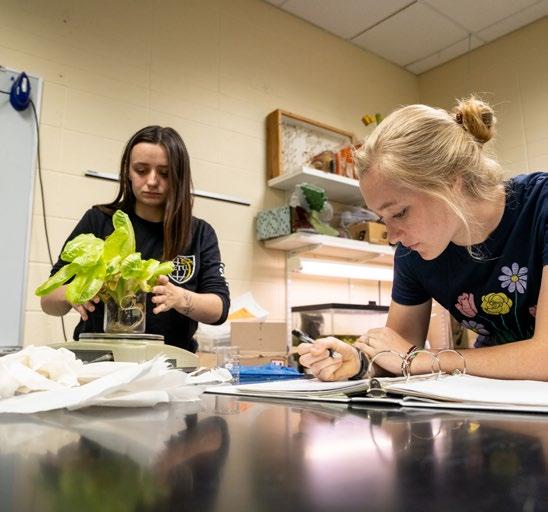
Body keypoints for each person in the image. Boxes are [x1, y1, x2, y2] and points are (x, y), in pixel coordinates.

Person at [298, 96, 547, 381]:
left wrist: (422, 358)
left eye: (400, 213)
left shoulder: (541, 205)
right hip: (493, 391)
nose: (393, 237)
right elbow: (396, 356)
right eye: (383, 219)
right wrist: (360, 363)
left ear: (452, 181)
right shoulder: (413, 251)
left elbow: (544, 358)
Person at [40, 126, 230, 352]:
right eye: (141, 170)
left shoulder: (199, 233)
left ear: (179, 176)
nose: (152, 181)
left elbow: (219, 309)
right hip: (99, 359)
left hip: (170, 361)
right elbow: (48, 301)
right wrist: (71, 294)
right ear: (127, 171)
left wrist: (180, 298)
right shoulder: (98, 221)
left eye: (165, 173)